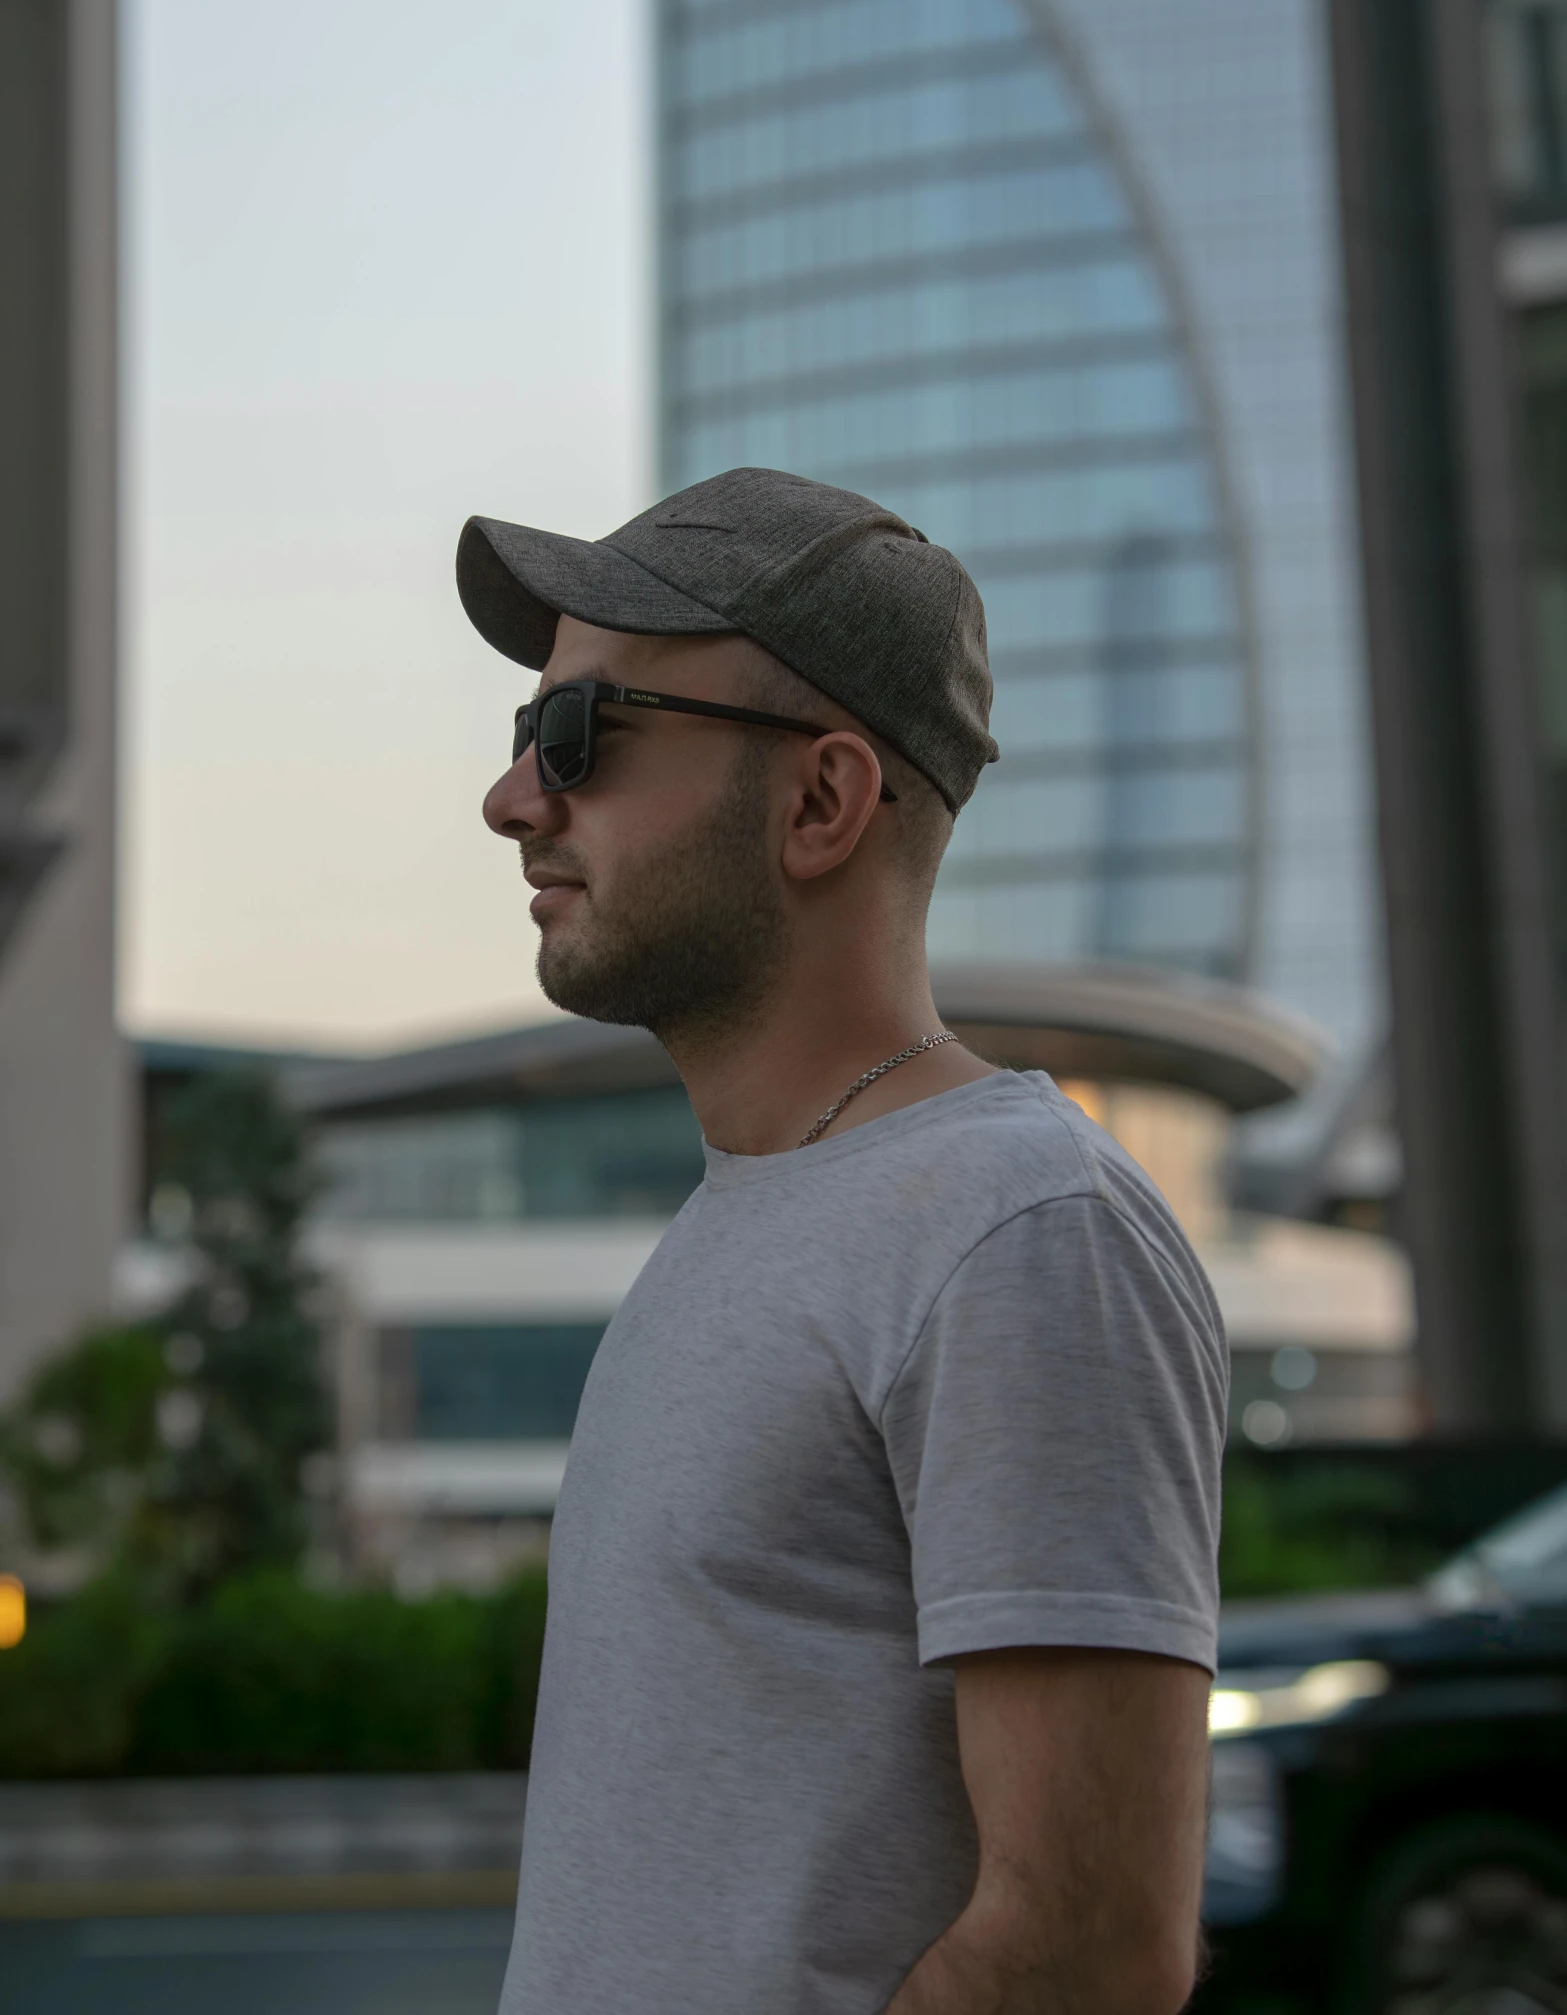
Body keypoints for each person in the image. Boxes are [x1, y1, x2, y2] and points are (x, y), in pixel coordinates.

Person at [458, 465, 1228, 2015]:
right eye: (522, 733)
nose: (514, 797)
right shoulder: (752, 1211)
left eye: (580, 736)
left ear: (820, 800)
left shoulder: (1020, 1231)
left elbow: (1086, 1942)